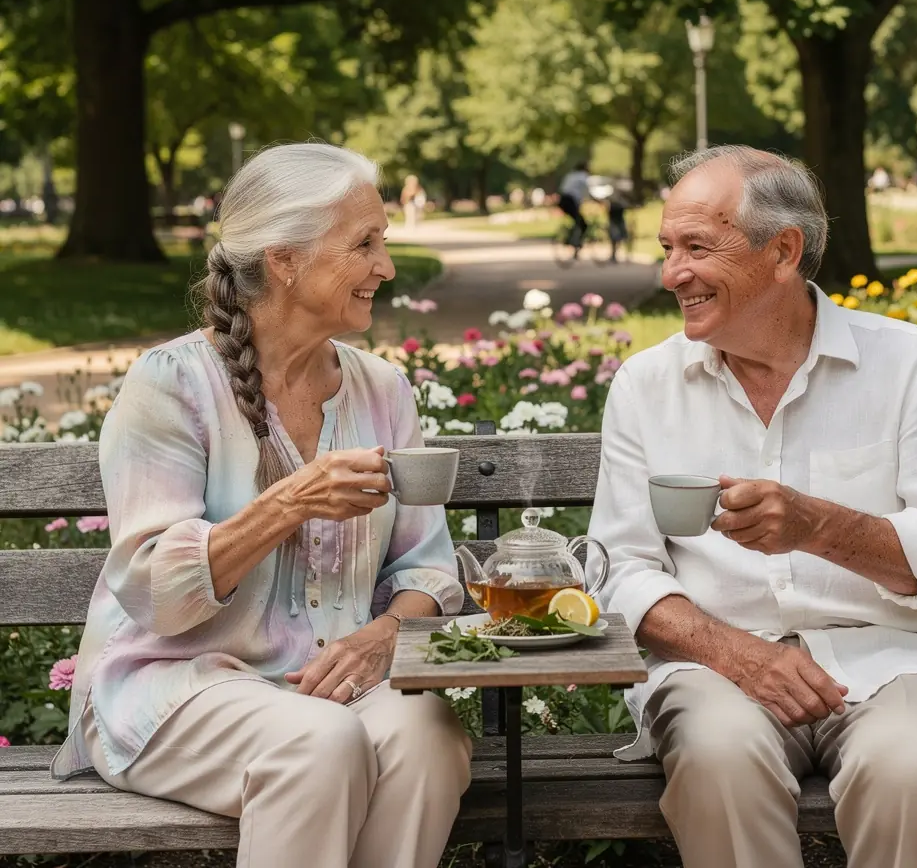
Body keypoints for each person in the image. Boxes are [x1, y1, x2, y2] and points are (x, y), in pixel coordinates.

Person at [50, 143, 471, 868]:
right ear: (285, 260)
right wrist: (289, 503)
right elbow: (155, 594)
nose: (387, 268)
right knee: (320, 741)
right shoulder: (172, 383)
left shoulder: (382, 390)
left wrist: (382, 638)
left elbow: (425, 568)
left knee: (427, 733)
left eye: (385, 243)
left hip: (324, 679)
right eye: (364, 244)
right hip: (176, 684)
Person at [587, 143, 917, 868]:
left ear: (783, 252)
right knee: (718, 762)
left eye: (696, 247)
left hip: (900, 659)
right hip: (717, 671)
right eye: (666, 248)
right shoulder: (645, 386)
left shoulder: (910, 363)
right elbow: (621, 569)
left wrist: (817, 525)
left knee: (908, 770)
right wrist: (740, 657)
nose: (670, 274)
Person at [557, 161, 590, 251]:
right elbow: (587, 192)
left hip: (563, 200)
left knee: (577, 221)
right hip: (570, 201)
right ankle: (574, 240)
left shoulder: (570, 175)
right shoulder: (583, 177)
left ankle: (572, 238)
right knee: (582, 223)